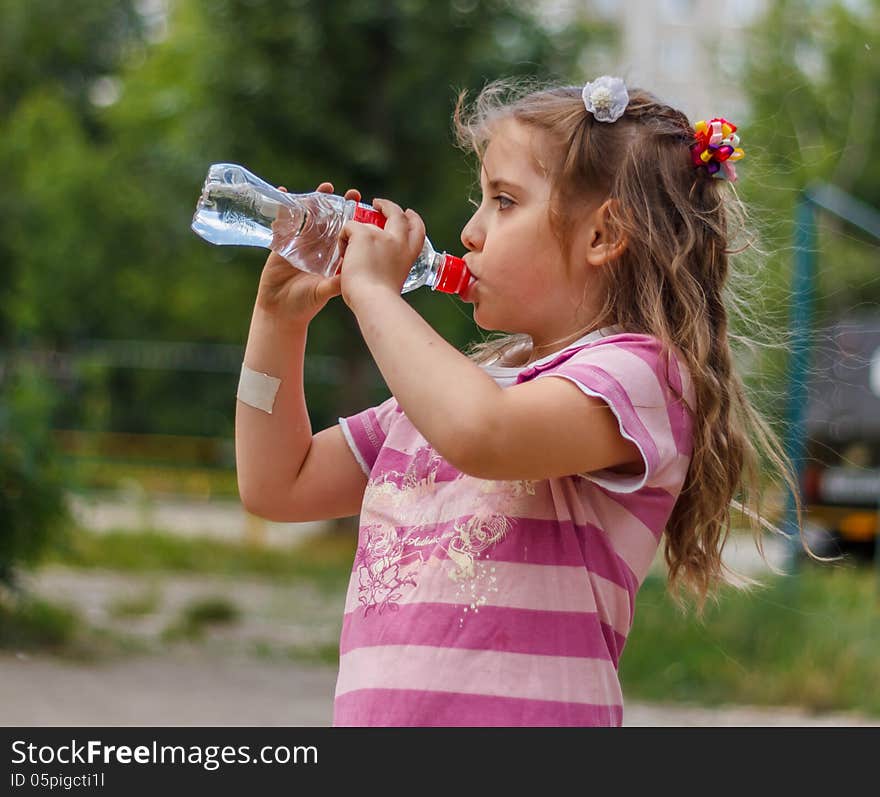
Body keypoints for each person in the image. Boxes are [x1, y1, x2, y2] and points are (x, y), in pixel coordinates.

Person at [234, 76, 808, 727]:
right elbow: (279, 483)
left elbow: (486, 435)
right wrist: (277, 323)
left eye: (503, 201)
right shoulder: (456, 394)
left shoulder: (639, 377)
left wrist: (374, 293)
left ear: (602, 235)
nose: (471, 231)